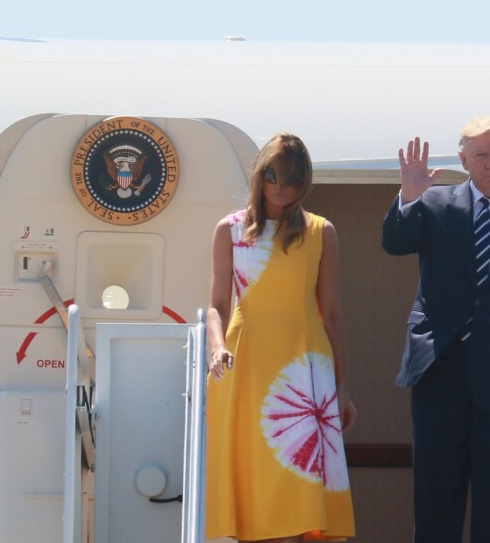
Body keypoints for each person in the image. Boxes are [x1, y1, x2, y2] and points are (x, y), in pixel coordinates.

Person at [205, 133, 356, 543]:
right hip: (244, 363)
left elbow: (332, 313)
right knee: (254, 485)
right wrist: (217, 346)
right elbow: (217, 303)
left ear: (304, 182)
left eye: (292, 178)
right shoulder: (230, 229)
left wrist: (342, 388)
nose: (281, 186)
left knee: (298, 495)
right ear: (260, 174)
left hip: (304, 369)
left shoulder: (321, 231)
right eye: (273, 175)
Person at [381, 116, 490, 542]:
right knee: (436, 497)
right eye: (481, 154)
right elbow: (395, 242)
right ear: (463, 159)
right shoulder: (435, 202)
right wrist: (408, 195)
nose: (489, 162)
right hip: (439, 369)